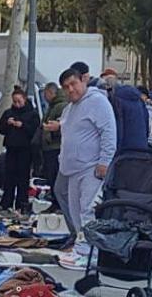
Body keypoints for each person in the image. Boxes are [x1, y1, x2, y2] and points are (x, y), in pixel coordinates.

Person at [47, 68, 117, 264]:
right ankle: (81, 247)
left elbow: (109, 132)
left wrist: (105, 161)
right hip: (72, 169)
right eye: (66, 87)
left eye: (73, 84)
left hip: (91, 167)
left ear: (83, 81)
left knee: (88, 211)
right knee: (76, 212)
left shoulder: (97, 102)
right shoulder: (70, 108)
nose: (71, 90)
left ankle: (91, 253)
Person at [0, 86, 41, 213]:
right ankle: (6, 202)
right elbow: (0, 129)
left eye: (19, 101)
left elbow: (35, 130)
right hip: (11, 148)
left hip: (25, 150)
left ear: (25, 99)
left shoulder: (32, 114)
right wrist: (7, 123)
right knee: (9, 177)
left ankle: (22, 203)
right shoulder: (9, 112)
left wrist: (23, 126)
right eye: (14, 101)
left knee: (23, 178)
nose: (17, 104)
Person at [40, 82, 67, 192]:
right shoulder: (53, 106)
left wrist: (50, 131)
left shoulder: (60, 106)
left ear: (51, 93)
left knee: (54, 174)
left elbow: (63, 126)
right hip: (49, 146)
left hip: (55, 146)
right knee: (51, 175)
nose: (44, 98)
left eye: (45, 94)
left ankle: (57, 202)